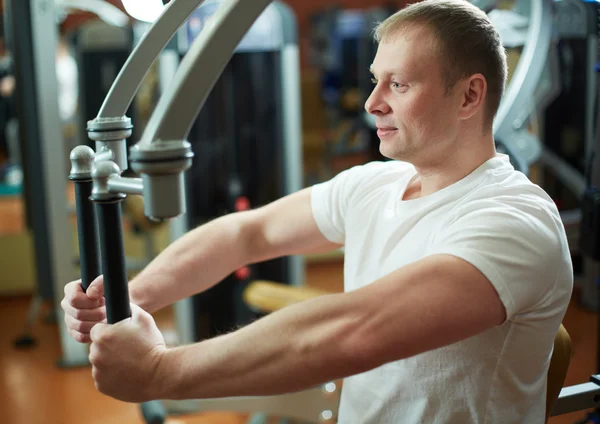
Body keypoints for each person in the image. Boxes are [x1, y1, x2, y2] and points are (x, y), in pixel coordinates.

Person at [61, 1, 573, 422]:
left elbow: (356, 331)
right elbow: (248, 233)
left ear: (470, 95)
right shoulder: (377, 184)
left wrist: (158, 371)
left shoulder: (515, 220)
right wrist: (128, 298)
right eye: (376, 80)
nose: (372, 102)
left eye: (398, 84)